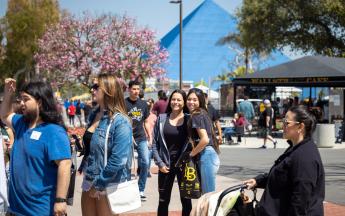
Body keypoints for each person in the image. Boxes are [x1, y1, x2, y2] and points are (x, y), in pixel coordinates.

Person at [0, 78, 71, 216]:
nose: (21, 103)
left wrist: (60, 200)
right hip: (15, 209)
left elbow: (65, 164)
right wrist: (8, 93)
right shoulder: (21, 123)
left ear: (39, 101)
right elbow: (5, 115)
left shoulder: (53, 131)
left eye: (26, 99)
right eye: (21, 99)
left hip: (40, 210)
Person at [244, 106, 325, 215]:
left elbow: (300, 201)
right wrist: (258, 181)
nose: (282, 125)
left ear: (300, 127)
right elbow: (282, 176)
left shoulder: (304, 157)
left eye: (286, 123)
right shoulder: (296, 148)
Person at [81, 74, 133, 216]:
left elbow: (118, 160)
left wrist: (98, 184)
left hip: (107, 183)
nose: (92, 90)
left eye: (96, 87)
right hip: (88, 179)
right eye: (92, 87)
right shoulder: (94, 115)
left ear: (109, 90)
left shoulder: (120, 121)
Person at [152, 89, 192, 216]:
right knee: (163, 200)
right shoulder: (162, 119)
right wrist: (160, 163)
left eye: (179, 99)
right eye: (173, 99)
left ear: (184, 102)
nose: (176, 102)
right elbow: (154, 143)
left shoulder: (189, 119)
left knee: (186, 200)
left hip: (184, 166)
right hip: (165, 165)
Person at [186, 88, 220, 193]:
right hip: (210, 155)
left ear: (200, 100)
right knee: (208, 195)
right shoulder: (203, 112)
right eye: (189, 99)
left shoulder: (196, 114)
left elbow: (205, 139)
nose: (191, 102)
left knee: (208, 196)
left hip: (207, 156)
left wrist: (191, 154)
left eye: (195, 100)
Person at [125, 80, 151, 201]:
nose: (136, 91)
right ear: (129, 89)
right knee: (127, 164)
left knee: (145, 162)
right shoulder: (124, 103)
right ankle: (126, 188)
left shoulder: (144, 104)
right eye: (134, 89)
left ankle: (141, 190)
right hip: (127, 138)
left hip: (141, 137)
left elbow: (145, 121)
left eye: (138, 89)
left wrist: (149, 135)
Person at [145, 98, 157, 178]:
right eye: (148, 103)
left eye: (151, 103)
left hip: (151, 138)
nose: (149, 104)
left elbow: (156, 128)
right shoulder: (143, 114)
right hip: (143, 138)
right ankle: (143, 170)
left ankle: (147, 171)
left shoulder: (154, 116)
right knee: (144, 156)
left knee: (148, 156)